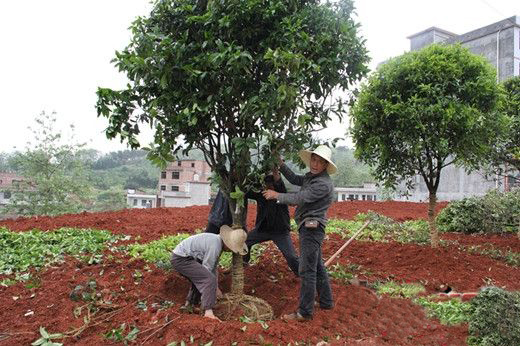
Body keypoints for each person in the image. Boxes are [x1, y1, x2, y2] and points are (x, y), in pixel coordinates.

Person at [263, 145, 336, 321]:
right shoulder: (313, 178)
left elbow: (299, 198)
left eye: (320, 161)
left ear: (326, 165)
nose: (315, 164)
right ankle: (326, 301)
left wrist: (276, 195)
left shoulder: (323, 184)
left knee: (307, 270)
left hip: (312, 228)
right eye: (314, 159)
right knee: (317, 266)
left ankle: (304, 312)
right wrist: (281, 164)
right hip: (308, 226)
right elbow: (296, 179)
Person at [171, 226, 248, 321]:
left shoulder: (216, 241)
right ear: (227, 243)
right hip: (181, 259)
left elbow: (213, 267)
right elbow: (207, 270)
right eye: (232, 248)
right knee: (207, 279)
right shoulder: (215, 245)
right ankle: (208, 312)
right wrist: (214, 289)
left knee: (201, 277)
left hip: (185, 258)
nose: (230, 251)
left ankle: (189, 305)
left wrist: (216, 286)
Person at [243, 168, 299, 276]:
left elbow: (278, 180)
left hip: (280, 231)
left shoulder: (280, 192)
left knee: (291, 256)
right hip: (263, 230)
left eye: (271, 184)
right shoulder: (260, 194)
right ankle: (244, 262)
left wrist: (274, 169)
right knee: (245, 242)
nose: (269, 186)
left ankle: (301, 274)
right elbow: (246, 190)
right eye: (266, 184)